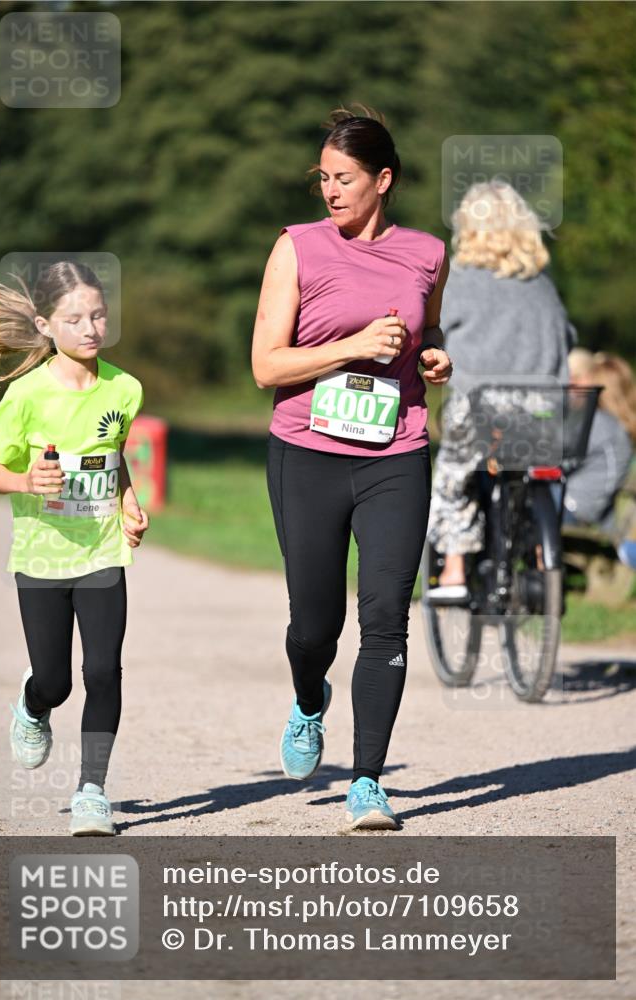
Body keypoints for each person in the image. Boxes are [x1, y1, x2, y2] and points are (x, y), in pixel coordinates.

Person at [251, 108, 451, 830]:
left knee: (385, 621)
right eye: (323, 179)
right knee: (314, 624)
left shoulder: (427, 253)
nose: (330, 191)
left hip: (396, 453)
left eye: (344, 178)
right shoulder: (297, 248)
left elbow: (427, 328)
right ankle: (309, 702)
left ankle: (366, 782)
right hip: (306, 451)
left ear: (382, 180)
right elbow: (264, 364)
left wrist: (432, 354)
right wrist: (352, 346)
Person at [0, 262, 148, 836]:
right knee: (58, 680)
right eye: (74, 319)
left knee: (104, 671)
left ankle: (92, 791)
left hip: (101, 553)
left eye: (98, 315)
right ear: (47, 326)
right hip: (42, 556)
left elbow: (112, 456)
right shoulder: (26, 395)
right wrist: (27, 483)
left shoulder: (125, 388)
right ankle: (33, 701)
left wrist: (127, 502)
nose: (90, 327)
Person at [427, 180, 575, 602]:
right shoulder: (542, 286)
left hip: (482, 410)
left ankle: (454, 566)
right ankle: (539, 557)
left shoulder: (460, 281)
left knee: (454, 476)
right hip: (544, 412)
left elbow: (435, 337)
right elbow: (565, 339)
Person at [564, 350, 635, 562]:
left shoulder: (600, 424)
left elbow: (561, 460)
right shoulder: (620, 427)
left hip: (574, 507)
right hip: (594, 511)